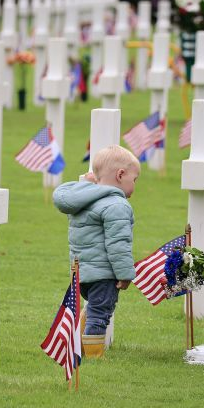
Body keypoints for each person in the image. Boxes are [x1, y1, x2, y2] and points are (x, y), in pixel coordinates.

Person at [52, 145, 140, 358]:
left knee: (93, 309)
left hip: (82, 273)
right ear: (120, 175)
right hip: (104, 274)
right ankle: (93, 356)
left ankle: (80, 346)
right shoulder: (116, 205)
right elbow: (118, 244)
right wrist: (125, 274)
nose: (134, 185)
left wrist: (87, 183)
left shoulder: (84, 200)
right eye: (134, 179)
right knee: (100, 315)